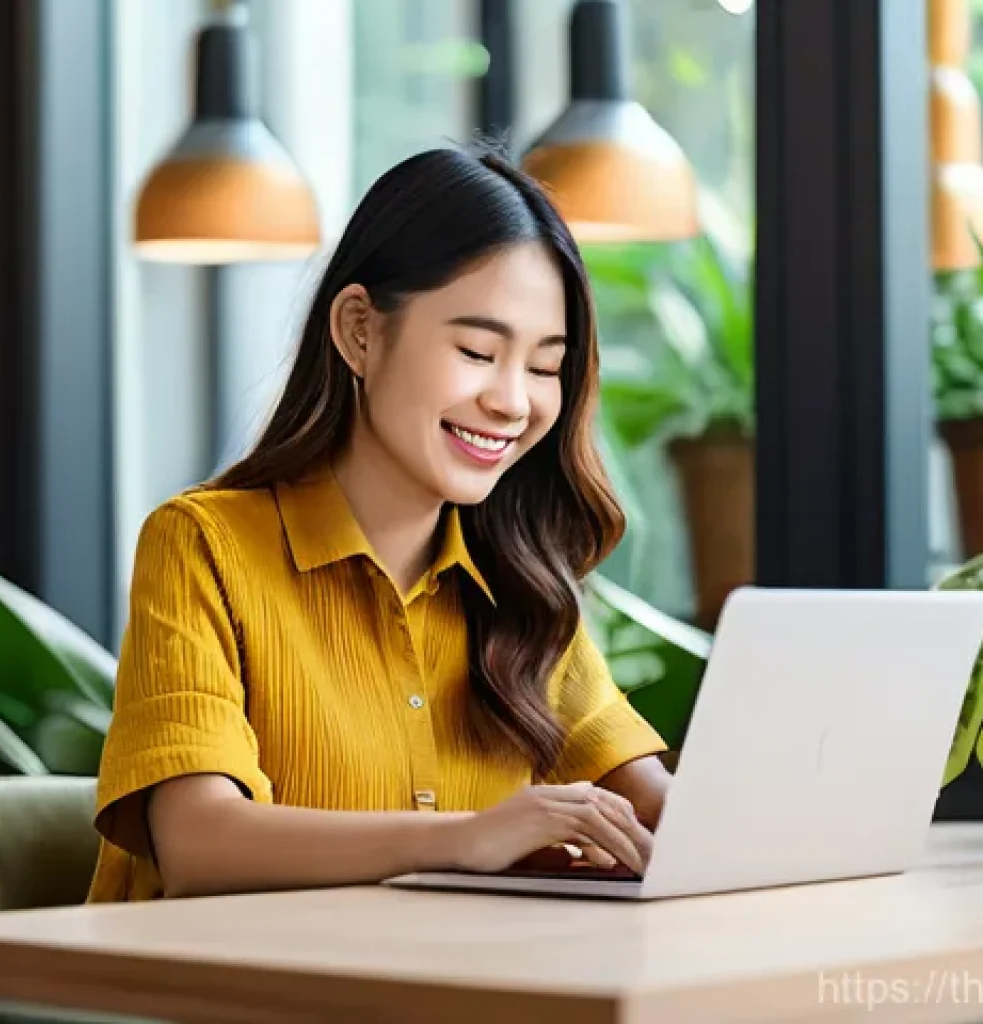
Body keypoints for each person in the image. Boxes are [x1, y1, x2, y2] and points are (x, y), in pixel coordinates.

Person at [87, 146, 672, 902]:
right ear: (360, 331)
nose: (513, 401)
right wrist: (466, 839)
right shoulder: (203, 544)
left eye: (543, 366)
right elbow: (199, 840)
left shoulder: (518, 586)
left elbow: (661, 810)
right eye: (478, 351)